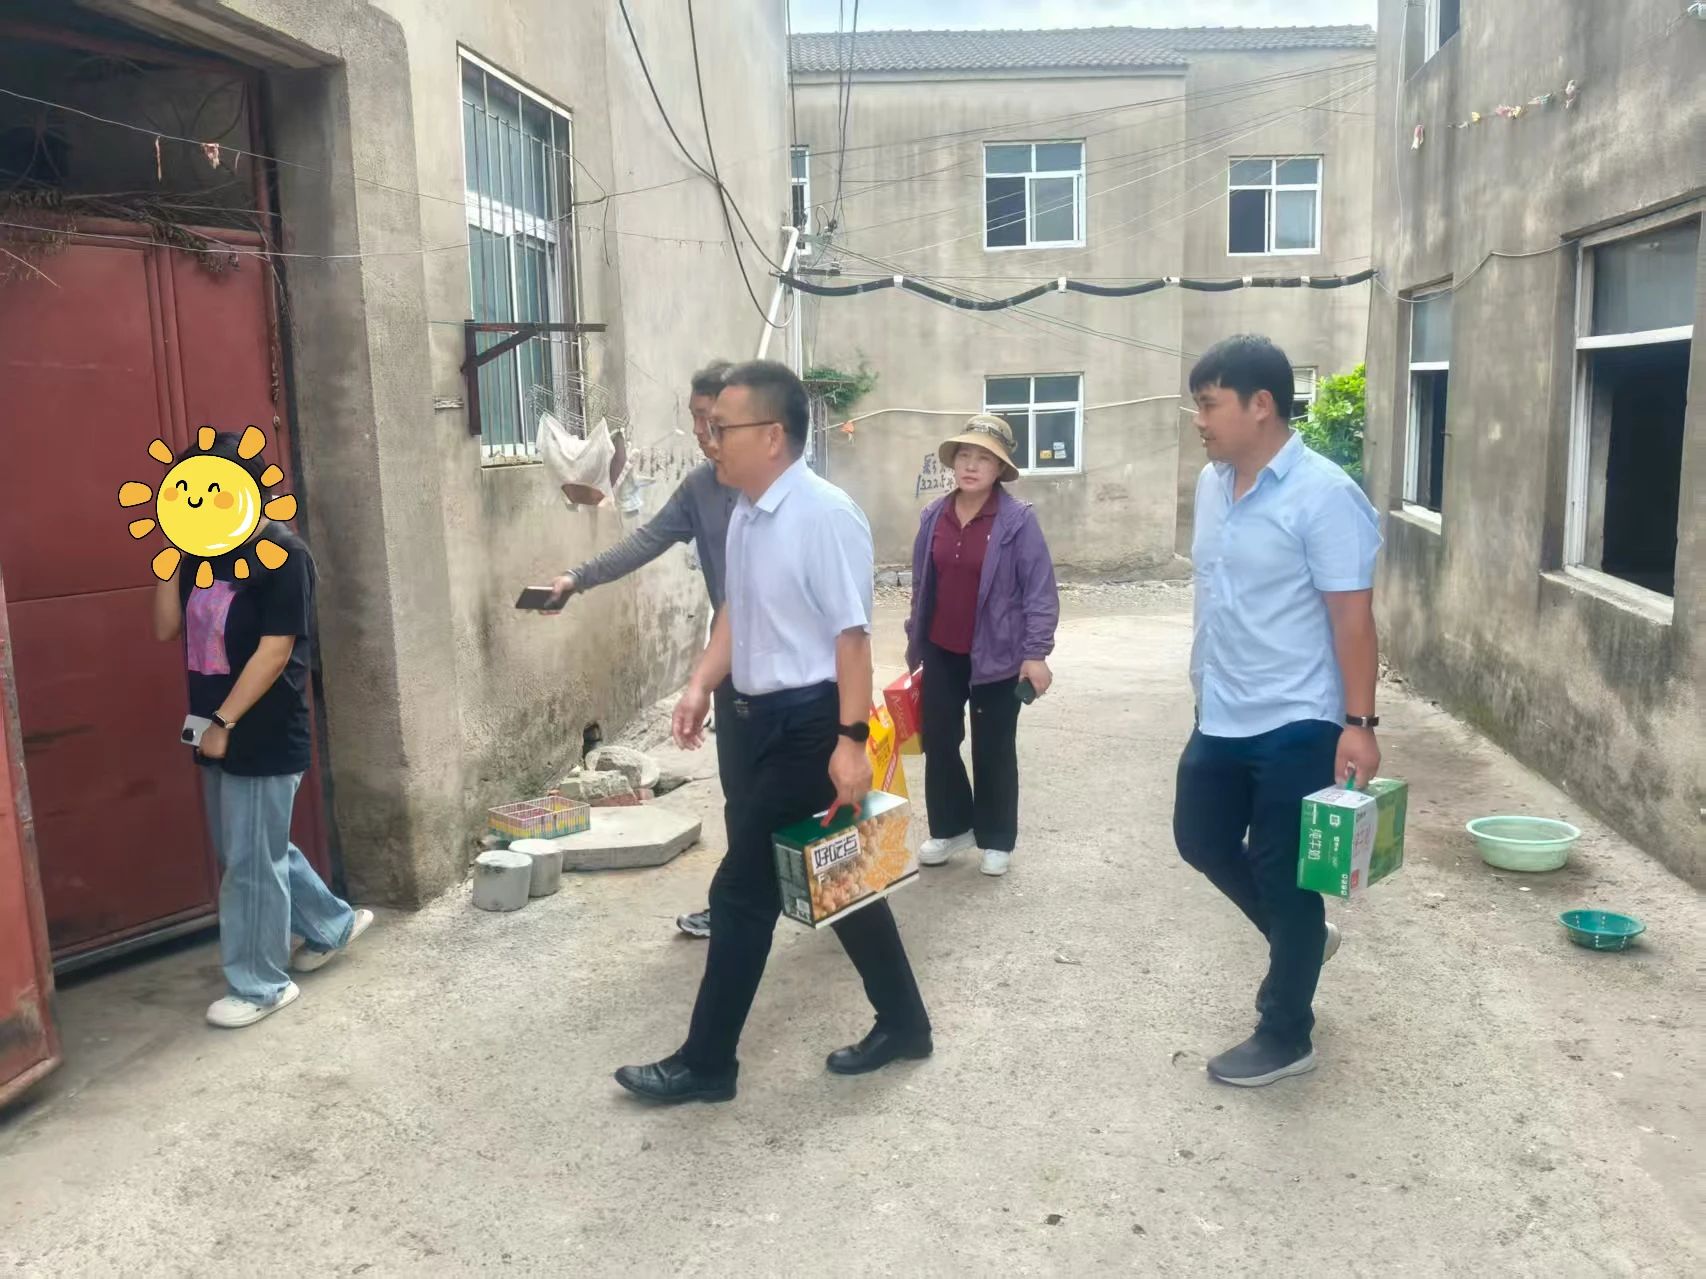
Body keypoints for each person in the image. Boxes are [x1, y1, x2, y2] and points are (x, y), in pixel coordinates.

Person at [615, 360, 932, 1103]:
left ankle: (708, 1064)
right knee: (836, 871)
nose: (710, 439)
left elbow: (852, 638)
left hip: (810, 723)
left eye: (722, 427)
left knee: (741, 893)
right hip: (755, 722)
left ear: (772, 435)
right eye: (708, 426)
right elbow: (737, 611)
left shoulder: (824, 515)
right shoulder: (746, 512)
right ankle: (906, 1023)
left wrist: (850, 742)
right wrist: (702, 681)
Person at [1174, 335, 1383, 1088]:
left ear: (1260, 404)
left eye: (1209, 404)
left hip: (1299, 714)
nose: (1199, 420)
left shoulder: (1324, 495)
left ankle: (1287, 1031)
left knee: (1282, 868)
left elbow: (1353, 619)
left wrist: (1360, 725)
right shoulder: (1212, 485)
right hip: (1223, 704)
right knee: (1199, 837)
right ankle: (1301, 942)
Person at [153, 433, 371, 1028]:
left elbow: (275, 652)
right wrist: (169, 558)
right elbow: (166, 629)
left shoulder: (283, 554)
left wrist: (225, 722)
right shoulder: (200, 553)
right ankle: (330, 923)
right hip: (212, 724)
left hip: (264, 726)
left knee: (251, 860)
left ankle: (261, 985)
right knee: (247, 848)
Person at [542, 361, 737, 941]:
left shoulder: (788, 494)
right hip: (732, 665)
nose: (699, 432)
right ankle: (739, 907)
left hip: (799, 675)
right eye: (694, 419)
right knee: (743, 795)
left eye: (709, 419)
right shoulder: (701, 488)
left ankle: (831, 895)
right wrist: (577, 578)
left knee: (806, 792)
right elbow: (646, 542)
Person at [904, 415, 1058, 878]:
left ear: (1000, 469)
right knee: (939, 742)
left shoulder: (1017, 521)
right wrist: (915, 638)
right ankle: (952, 828)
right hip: (941, 650)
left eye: (984, 459)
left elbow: (1039, 591)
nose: (971, 466)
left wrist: (1036, 653)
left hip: (998, 654)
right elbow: (921, 584)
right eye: (965, 456)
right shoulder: (934, 516)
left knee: (993, 747)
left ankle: (996, 837)